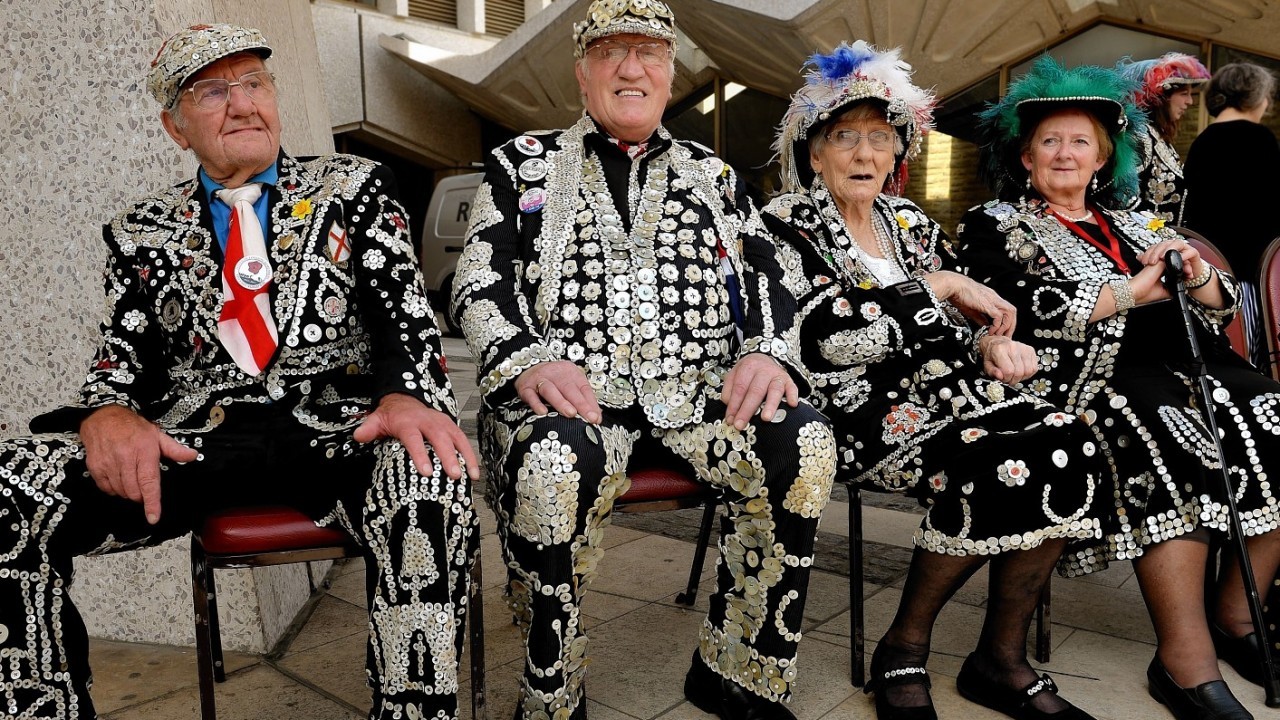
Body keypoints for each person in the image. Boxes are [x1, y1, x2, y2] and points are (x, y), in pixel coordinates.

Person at [0, 24, 479, 720]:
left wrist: (406, 395)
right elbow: (119, 361)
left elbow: (405, 319)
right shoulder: (140, 230)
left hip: (341, 433)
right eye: (213, 91)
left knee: (426, 476)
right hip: (198, 444)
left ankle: (413, 711)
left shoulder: (356, 187)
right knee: (12, 486)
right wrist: (107, 415)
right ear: (175, 126)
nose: (243, 104)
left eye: (255, 82)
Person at [449, 2, 837, 719]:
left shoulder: (713, 174)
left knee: (805, 441)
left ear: (669, 72)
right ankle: (554, 691)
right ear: (582, 73)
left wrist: (768, 351)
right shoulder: (520, 164)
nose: (632, 68)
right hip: (574, 400)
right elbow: (477, 279)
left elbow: (769, 272)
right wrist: (528, 360)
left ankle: (739, 669)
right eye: (611, 53)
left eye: (649, 53)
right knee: (551, 464)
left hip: (697, 394)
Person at [762, 42, 1102, 720]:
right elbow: (827, 338)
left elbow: (950, 327)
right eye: (845, 138)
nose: (864, 154)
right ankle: (904, 647)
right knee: (993, 455)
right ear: (814, 153)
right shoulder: (784, 225)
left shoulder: (910, 222)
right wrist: (939, 285)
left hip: (950, 395)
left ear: (897, 154)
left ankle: (1000, 659)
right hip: (852, 411)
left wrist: (987, 345)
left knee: (1071, 440)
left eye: (880, 139)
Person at [955, 56, 1280, 720]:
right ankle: (1185, 661)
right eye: (1050, 141)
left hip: (1193, 365)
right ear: (1025, 156)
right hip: (1091, 379)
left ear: (1104, 157)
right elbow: (1023, 308)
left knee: (1274, 411)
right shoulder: (996, 223)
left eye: (1081, 141)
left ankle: (1237, 616)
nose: (1065, 153)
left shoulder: (1137, 221)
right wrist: (1128, 291)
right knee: (1168, 431)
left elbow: (1218, 307)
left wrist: (1193, 271)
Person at [1183, 62, 1280, 368]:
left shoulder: (1201, 143)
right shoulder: (1260, 139)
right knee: (1258, 358)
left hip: (1211, 270)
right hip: (1253, 269)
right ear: (1255, 97)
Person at [1118, 52, 1210, 225]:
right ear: (1162, 97)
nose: (1190, 101)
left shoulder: (1159, 137)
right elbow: (1123, 203)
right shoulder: (1140, 136)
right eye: (1184, 94)